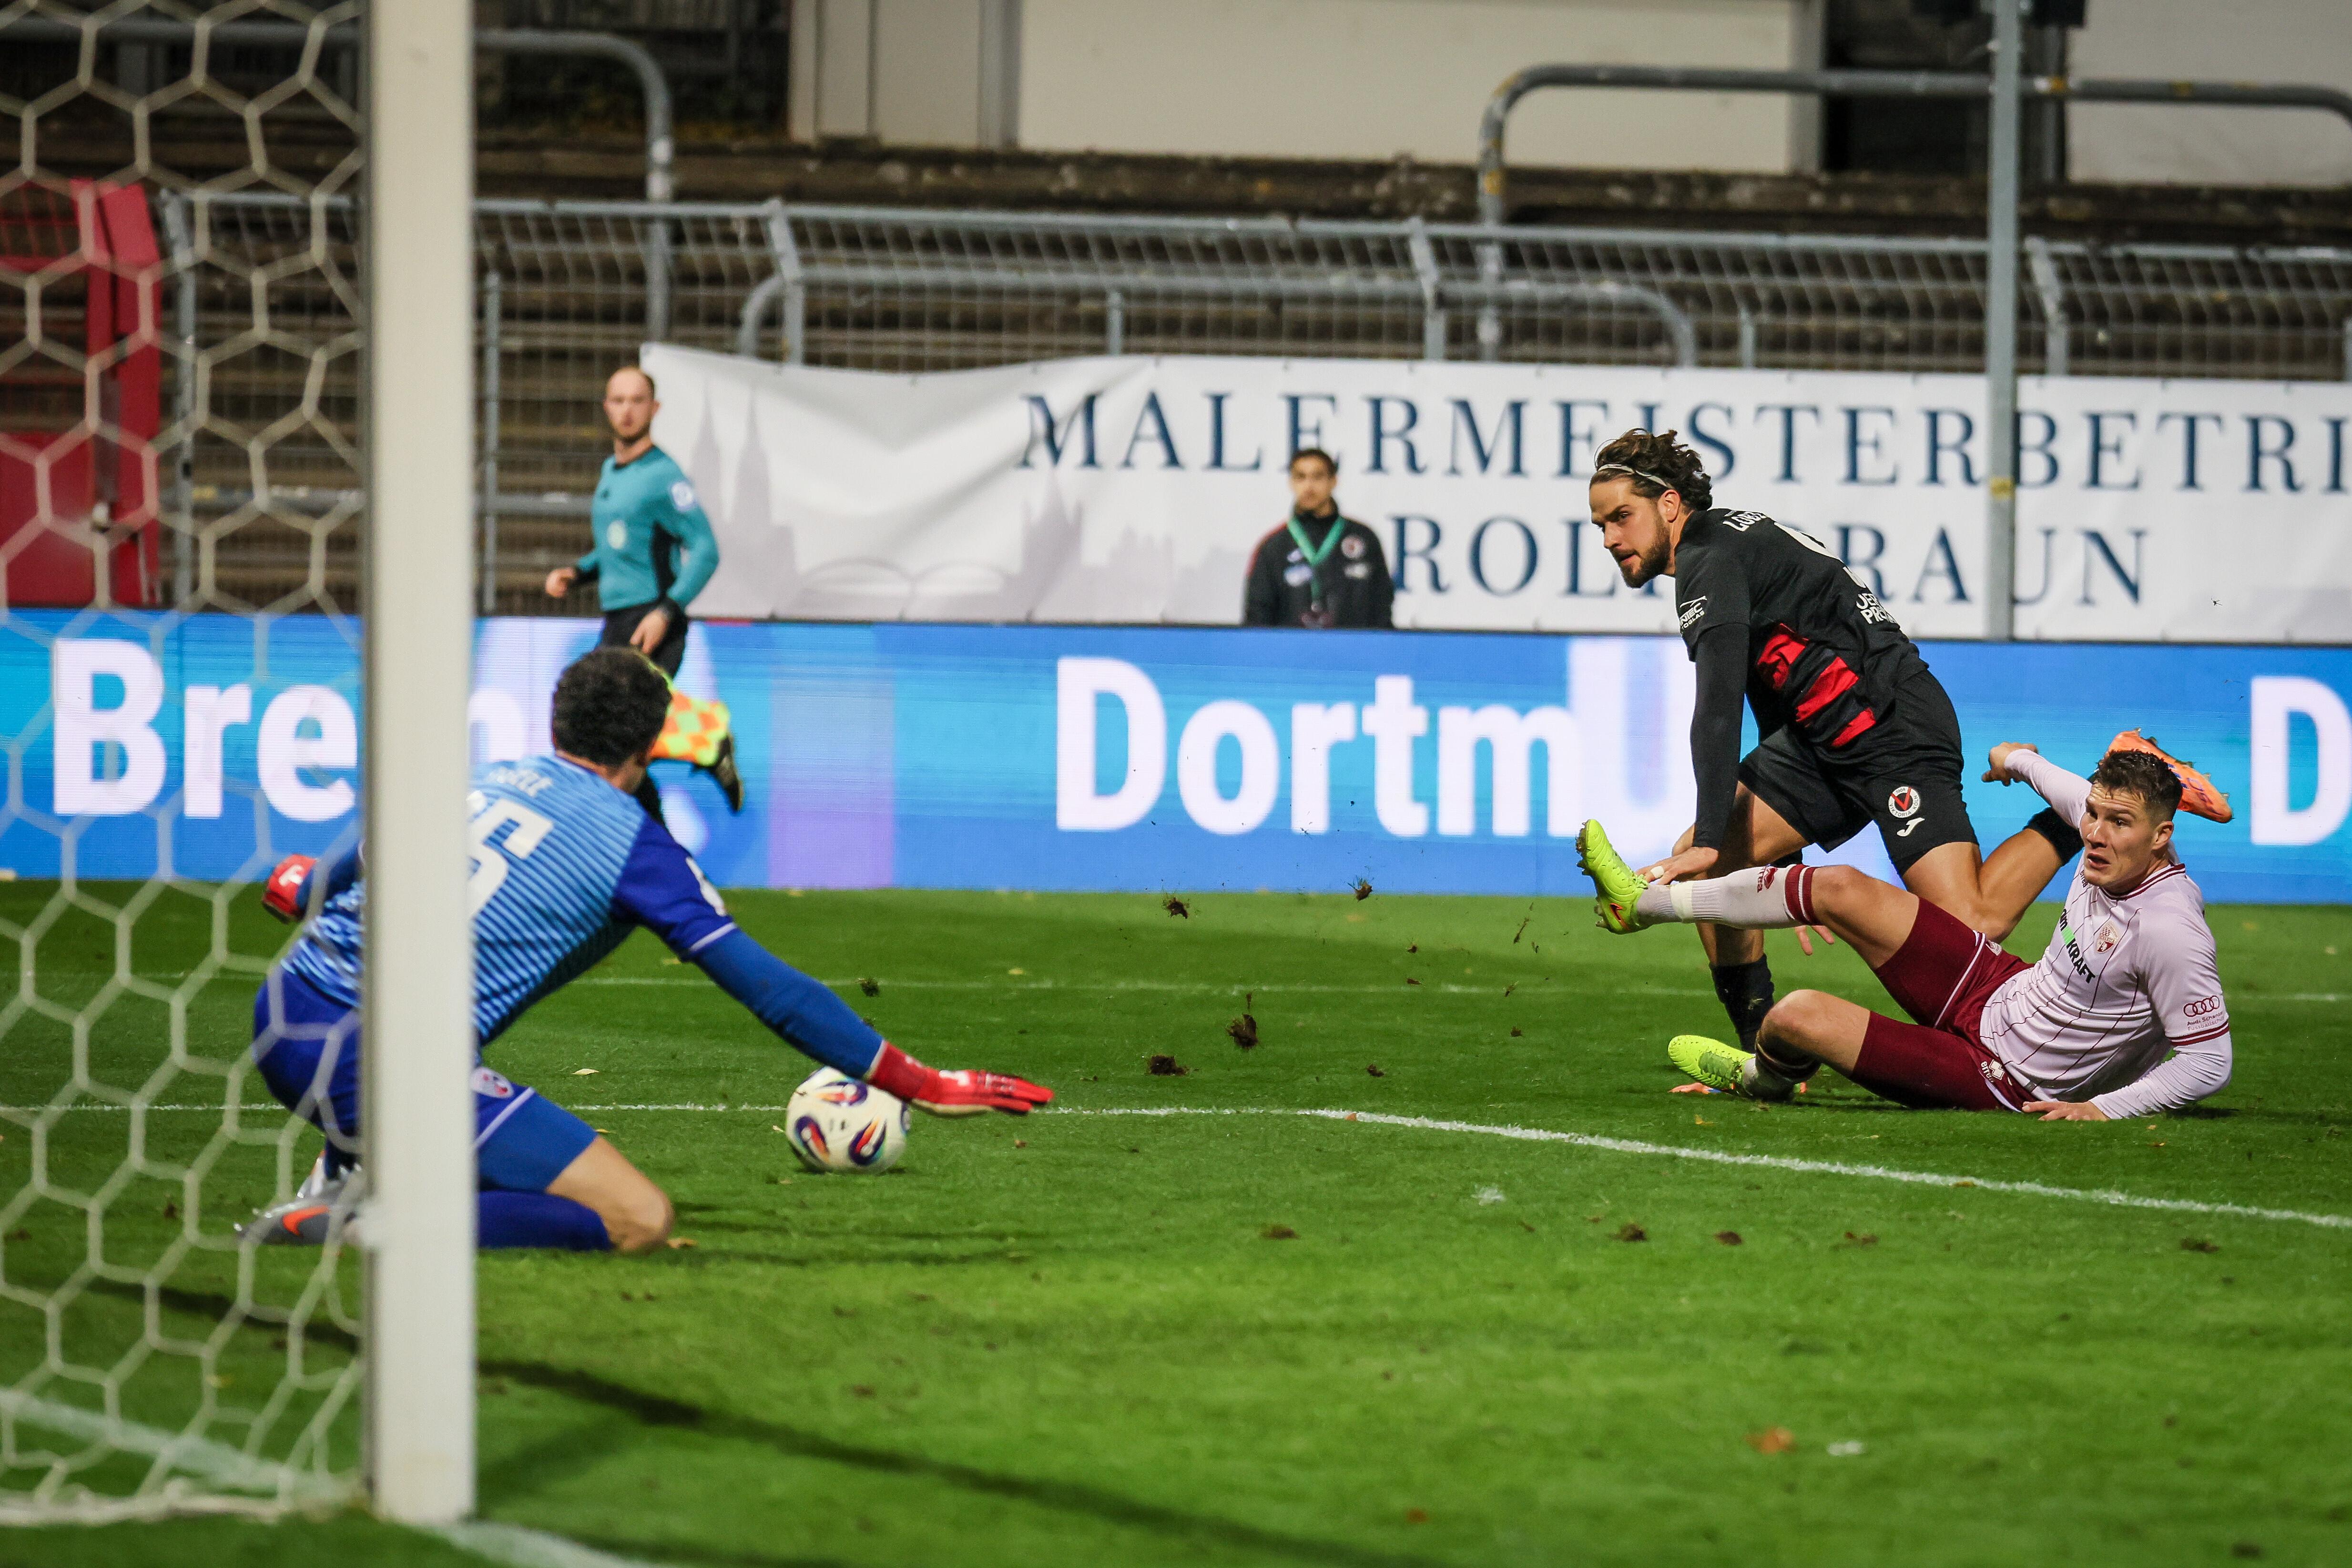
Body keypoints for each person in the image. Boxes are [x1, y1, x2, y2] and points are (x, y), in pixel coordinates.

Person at [240, 649, 1051, 1252]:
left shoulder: (488, 777)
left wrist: (305, 884)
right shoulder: (638, 850)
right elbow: (770, 989)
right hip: (380, 1064)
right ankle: (360, 1219)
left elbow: (363, 855)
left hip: (282, 1009)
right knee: (635, 1218)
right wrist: (924, 1083)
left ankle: (350, 1161)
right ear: (647, 749)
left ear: (556, 722)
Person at [1587, 427, 2092, 1081]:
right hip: (1821, 740)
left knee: (1972, 918)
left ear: (1670, 504)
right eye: (1599, 524)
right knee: (1716, 871)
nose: (1608, 538)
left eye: (1620, 517)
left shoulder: (1709, 563)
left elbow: (1715, 711)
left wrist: (1713, 837)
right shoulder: (1724, 545)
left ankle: (2082, 804)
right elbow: (1768, 687)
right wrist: (1773, 860)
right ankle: (1768, 1056)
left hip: (1890, 725)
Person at [1576, 741, 2232, 1119]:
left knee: (1793, 1015)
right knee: (1835, 885)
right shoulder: (2097, 829)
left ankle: (1762, 1078)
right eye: (2090, 814)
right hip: (1999, 988)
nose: (2093, 832)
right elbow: (2052, 780)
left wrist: (2100, 1108)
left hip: (2007, 1075)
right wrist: (2015, 757)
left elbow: (2208, 1061)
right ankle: (1642, 905)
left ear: (2160, 836)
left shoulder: (2169, 927)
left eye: (2117, 821)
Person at [544, 365, 742, 818]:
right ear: (606, 408)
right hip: (619, 619)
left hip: (650, 622)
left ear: (654, 409)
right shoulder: (612, 469)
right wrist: (577, 572)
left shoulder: (664, 476)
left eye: (637, 401)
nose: (627, 411)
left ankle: (709, 740)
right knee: (618, 743)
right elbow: (621, 545)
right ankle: (663, 847)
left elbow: (706, 549)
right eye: (618, 400)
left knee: (614, 734)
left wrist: (667, 611)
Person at [1242, 448, 1394, 629]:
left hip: (1352, 652)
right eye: (1301, 477)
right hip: (1293, 654)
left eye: (1318, 477)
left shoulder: (1364, 539)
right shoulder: (1274, 546)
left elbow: (1382, 605)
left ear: (1334, 481)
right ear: (1291, 483)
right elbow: (1258, 614)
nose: (1309, 486)